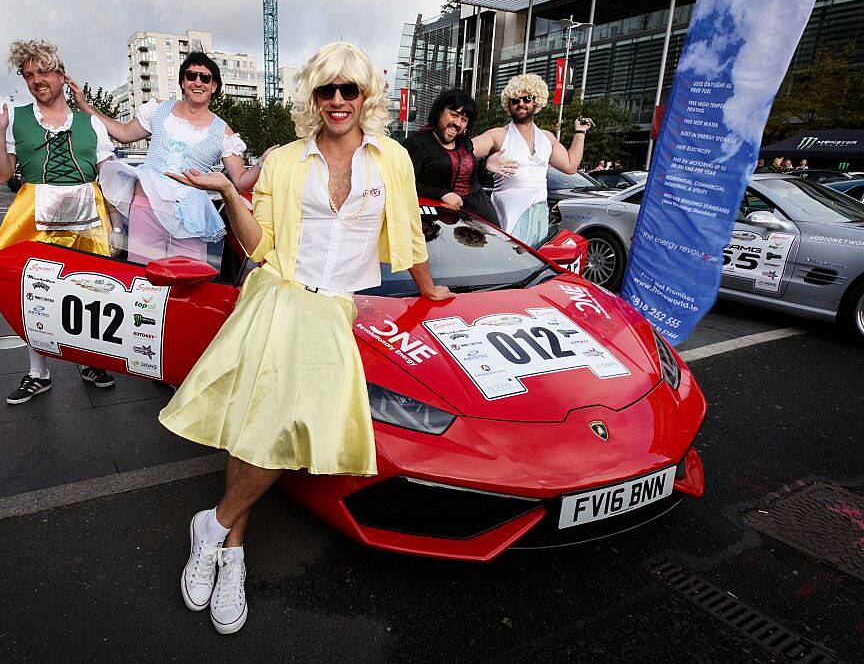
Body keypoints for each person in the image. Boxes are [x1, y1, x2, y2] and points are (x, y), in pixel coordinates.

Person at [158, 41, 452, 635]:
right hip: (279, 296)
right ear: (312, 98)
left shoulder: (391, 159)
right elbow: (259, 245)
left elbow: (411, 236)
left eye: (349, 90)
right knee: (259, 427)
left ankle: (212, 526)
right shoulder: (287, 161)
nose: (338, 101)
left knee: (283, 431)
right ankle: (231, 551)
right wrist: (227, 192)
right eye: (327, 90)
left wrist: (434, 292)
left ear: (365, 95)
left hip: (333, 312)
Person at [0, 39, 117, 404]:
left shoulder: (92, 125)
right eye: (28, 75)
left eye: (43, 72)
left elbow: (112, 176)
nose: (36, 80)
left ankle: (89, 361)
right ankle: (37, 372)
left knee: (89, 293)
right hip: (35, 215)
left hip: (86, 215)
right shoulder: (17, 120)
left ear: (60, 74)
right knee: (33, 294)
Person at [68, 53, 269, 264]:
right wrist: (85, 105)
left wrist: (262, 163)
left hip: (190, 218)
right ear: (183, 81)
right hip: (147, 207)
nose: (198, 82)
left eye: (205, 78)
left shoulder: (223, 132)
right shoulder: (159, 109)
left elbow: (239, 181)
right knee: (143, 281)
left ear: (214, 86)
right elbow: (123, 133)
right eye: (191, 76)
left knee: (187, 283)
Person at [472, 73, 591, 246]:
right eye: (515, 100)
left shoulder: (547, 138)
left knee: (532, 265)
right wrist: (485, 163)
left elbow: (570, 166)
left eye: (527, 98)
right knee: (507, 263)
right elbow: (461, 151)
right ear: (508, 104)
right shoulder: (498, 135)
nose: (521, 103)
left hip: (538, 215)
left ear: (536, 101)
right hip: (507, 215)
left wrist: (580, 132)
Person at [401, 89, 499, 226]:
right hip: (438, 222)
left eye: (464, 120)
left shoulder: (464, 143)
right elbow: (405, 183)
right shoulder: (417, 143)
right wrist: (441, 194)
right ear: (439, 112)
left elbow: (473, 178)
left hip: (480, 218)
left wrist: (487, 166)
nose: (458, 123)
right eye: (454, 115)